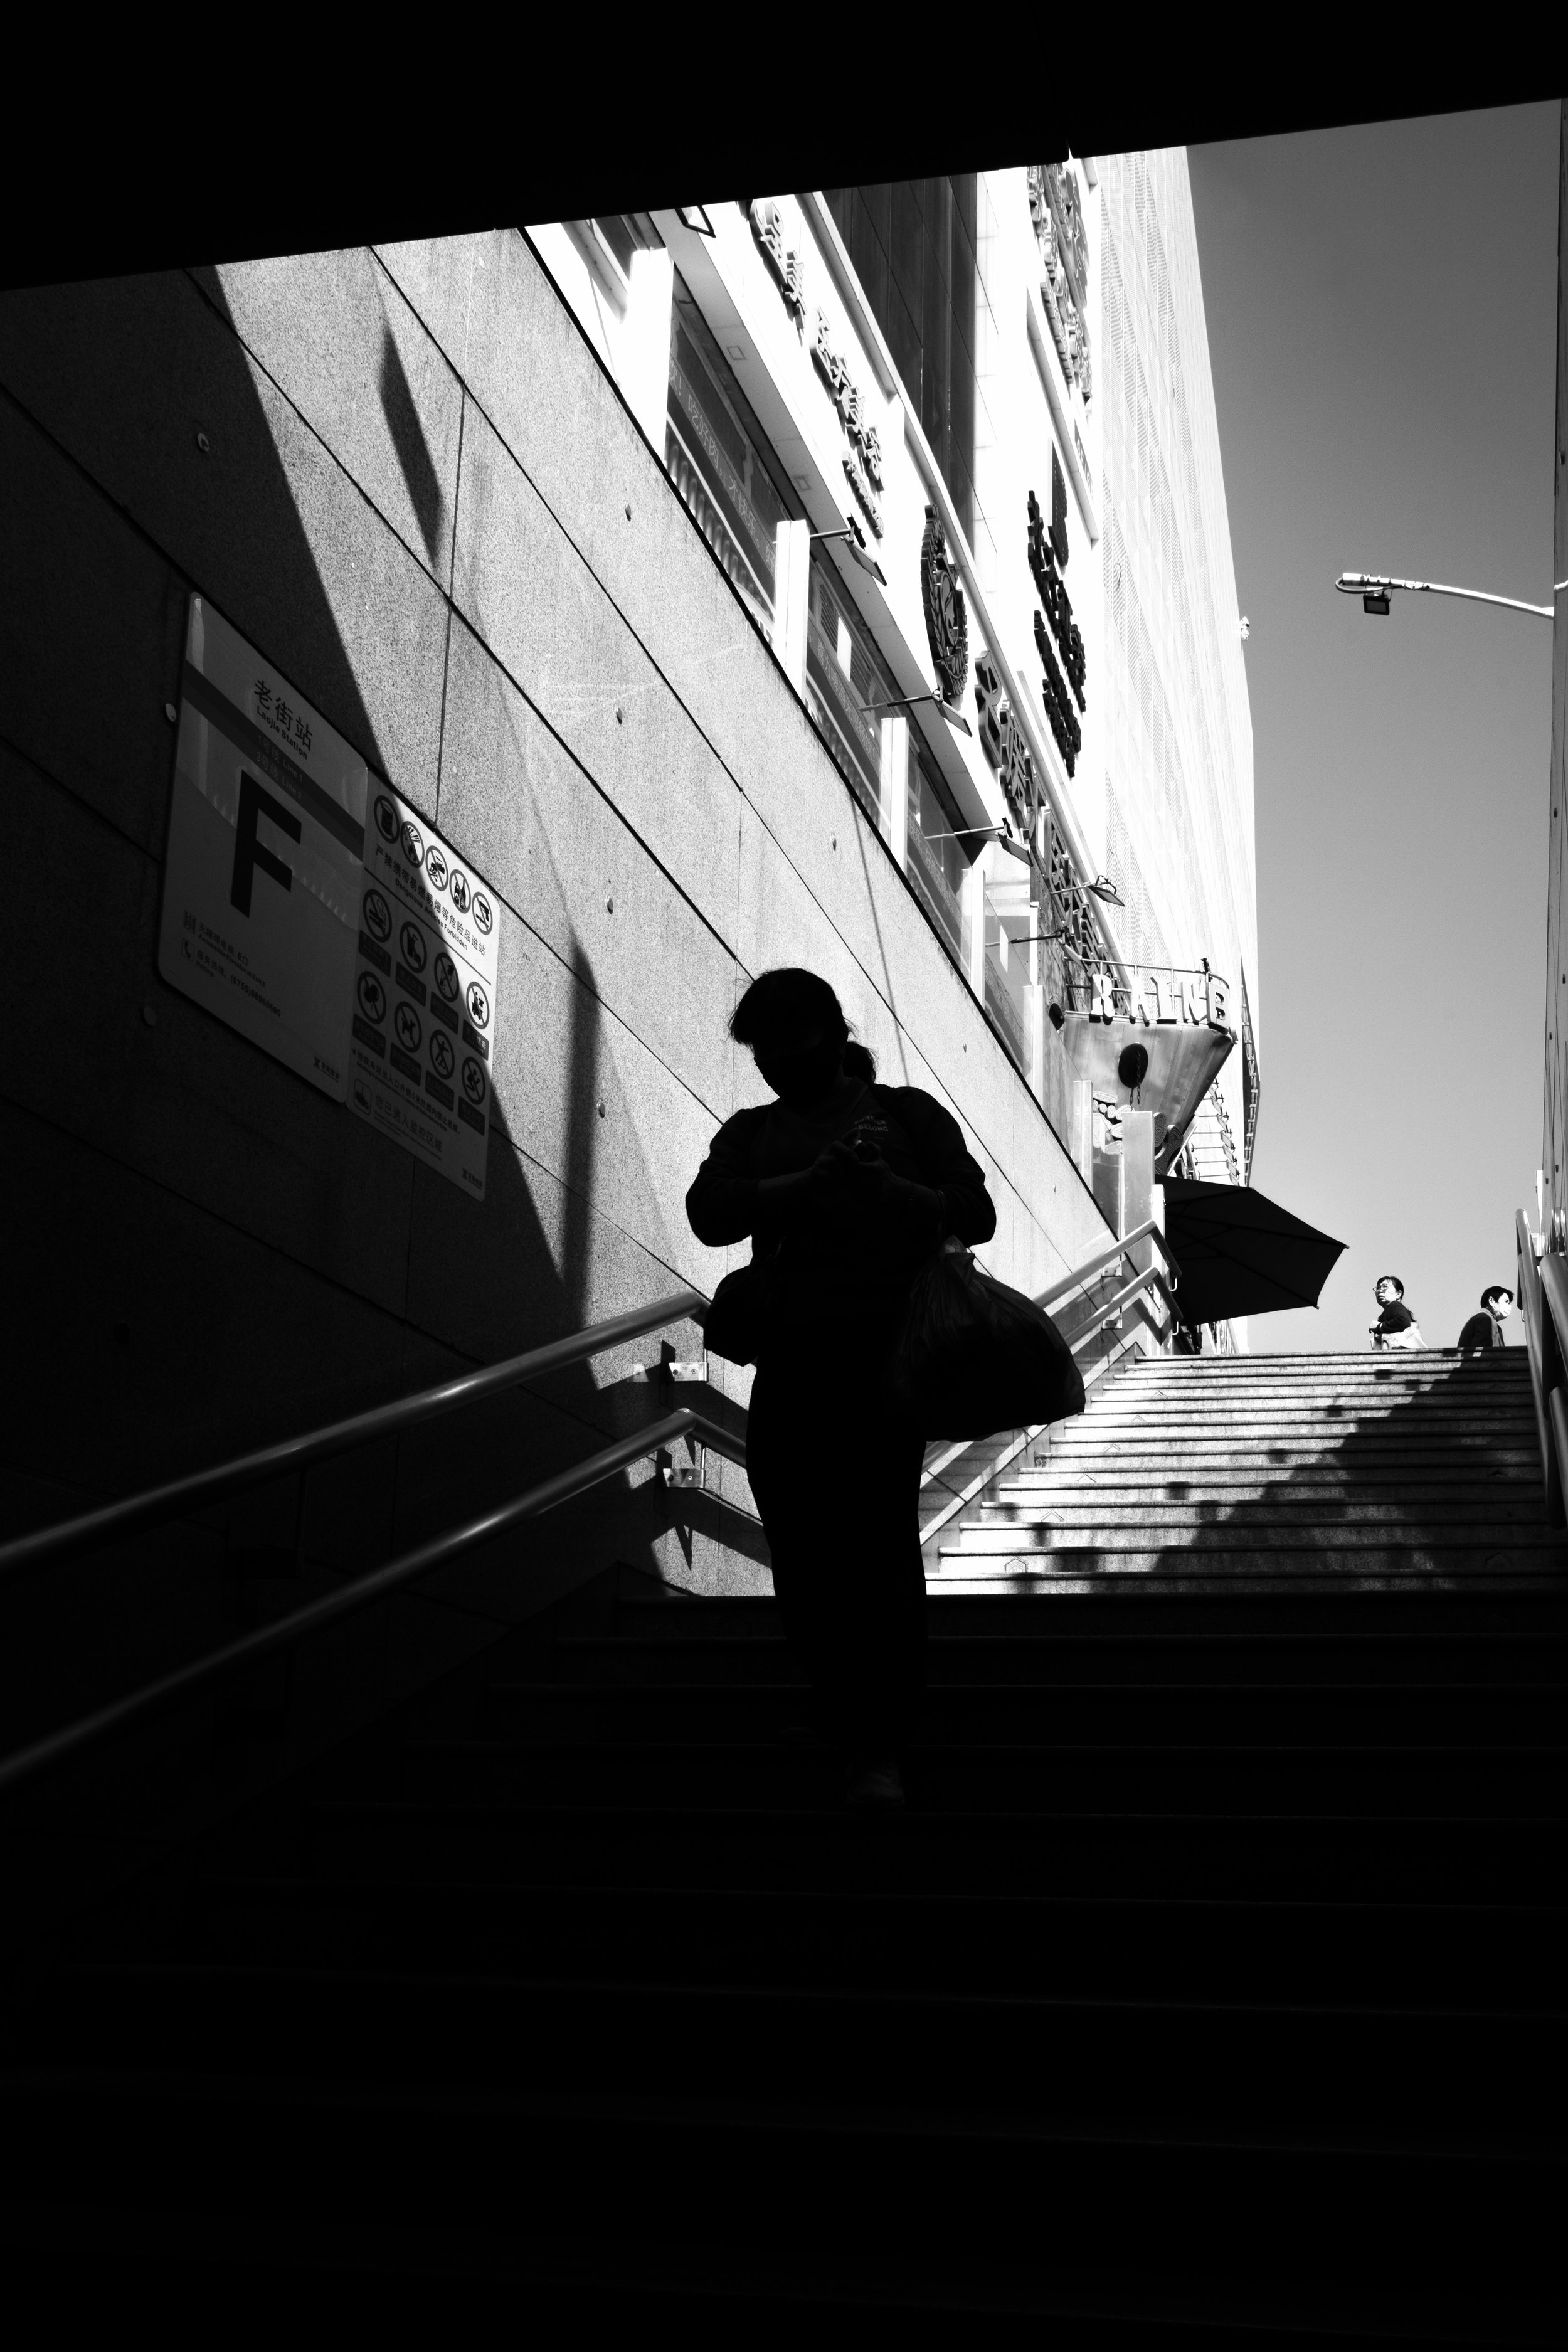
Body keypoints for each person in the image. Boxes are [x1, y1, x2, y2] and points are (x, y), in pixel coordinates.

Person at [686, 968, 995, 1810]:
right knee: (797, 1535)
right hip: (791, 1355)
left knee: (874, 1543)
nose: (779, 1065)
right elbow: (709, 1211)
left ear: (830, 1032)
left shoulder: (905, 1115)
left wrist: (894, 1193)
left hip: (887, 1354)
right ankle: (839, 1706)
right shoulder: (755, 1130)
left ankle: (880, 1741)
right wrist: (804, 1187)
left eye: (792, 1046)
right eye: (764, 1054)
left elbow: (977, 1209)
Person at [1369, 1274, 1424, 1351]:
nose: (1380, 1290)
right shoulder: (1389, 1311)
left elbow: (1403, 1321)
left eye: (1385, 1287)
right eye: (1378, 1288)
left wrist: (1379, 1326)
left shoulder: (1395, 1305)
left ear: (1398, 1294)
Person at [1457, 1285, 1514, 1350]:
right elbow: (1484, 1354)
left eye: (1509, 1303)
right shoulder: (1485, 1319)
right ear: (1492, 1301)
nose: (1509, 1306)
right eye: (1506, 1301)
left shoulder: (1483, 1318)